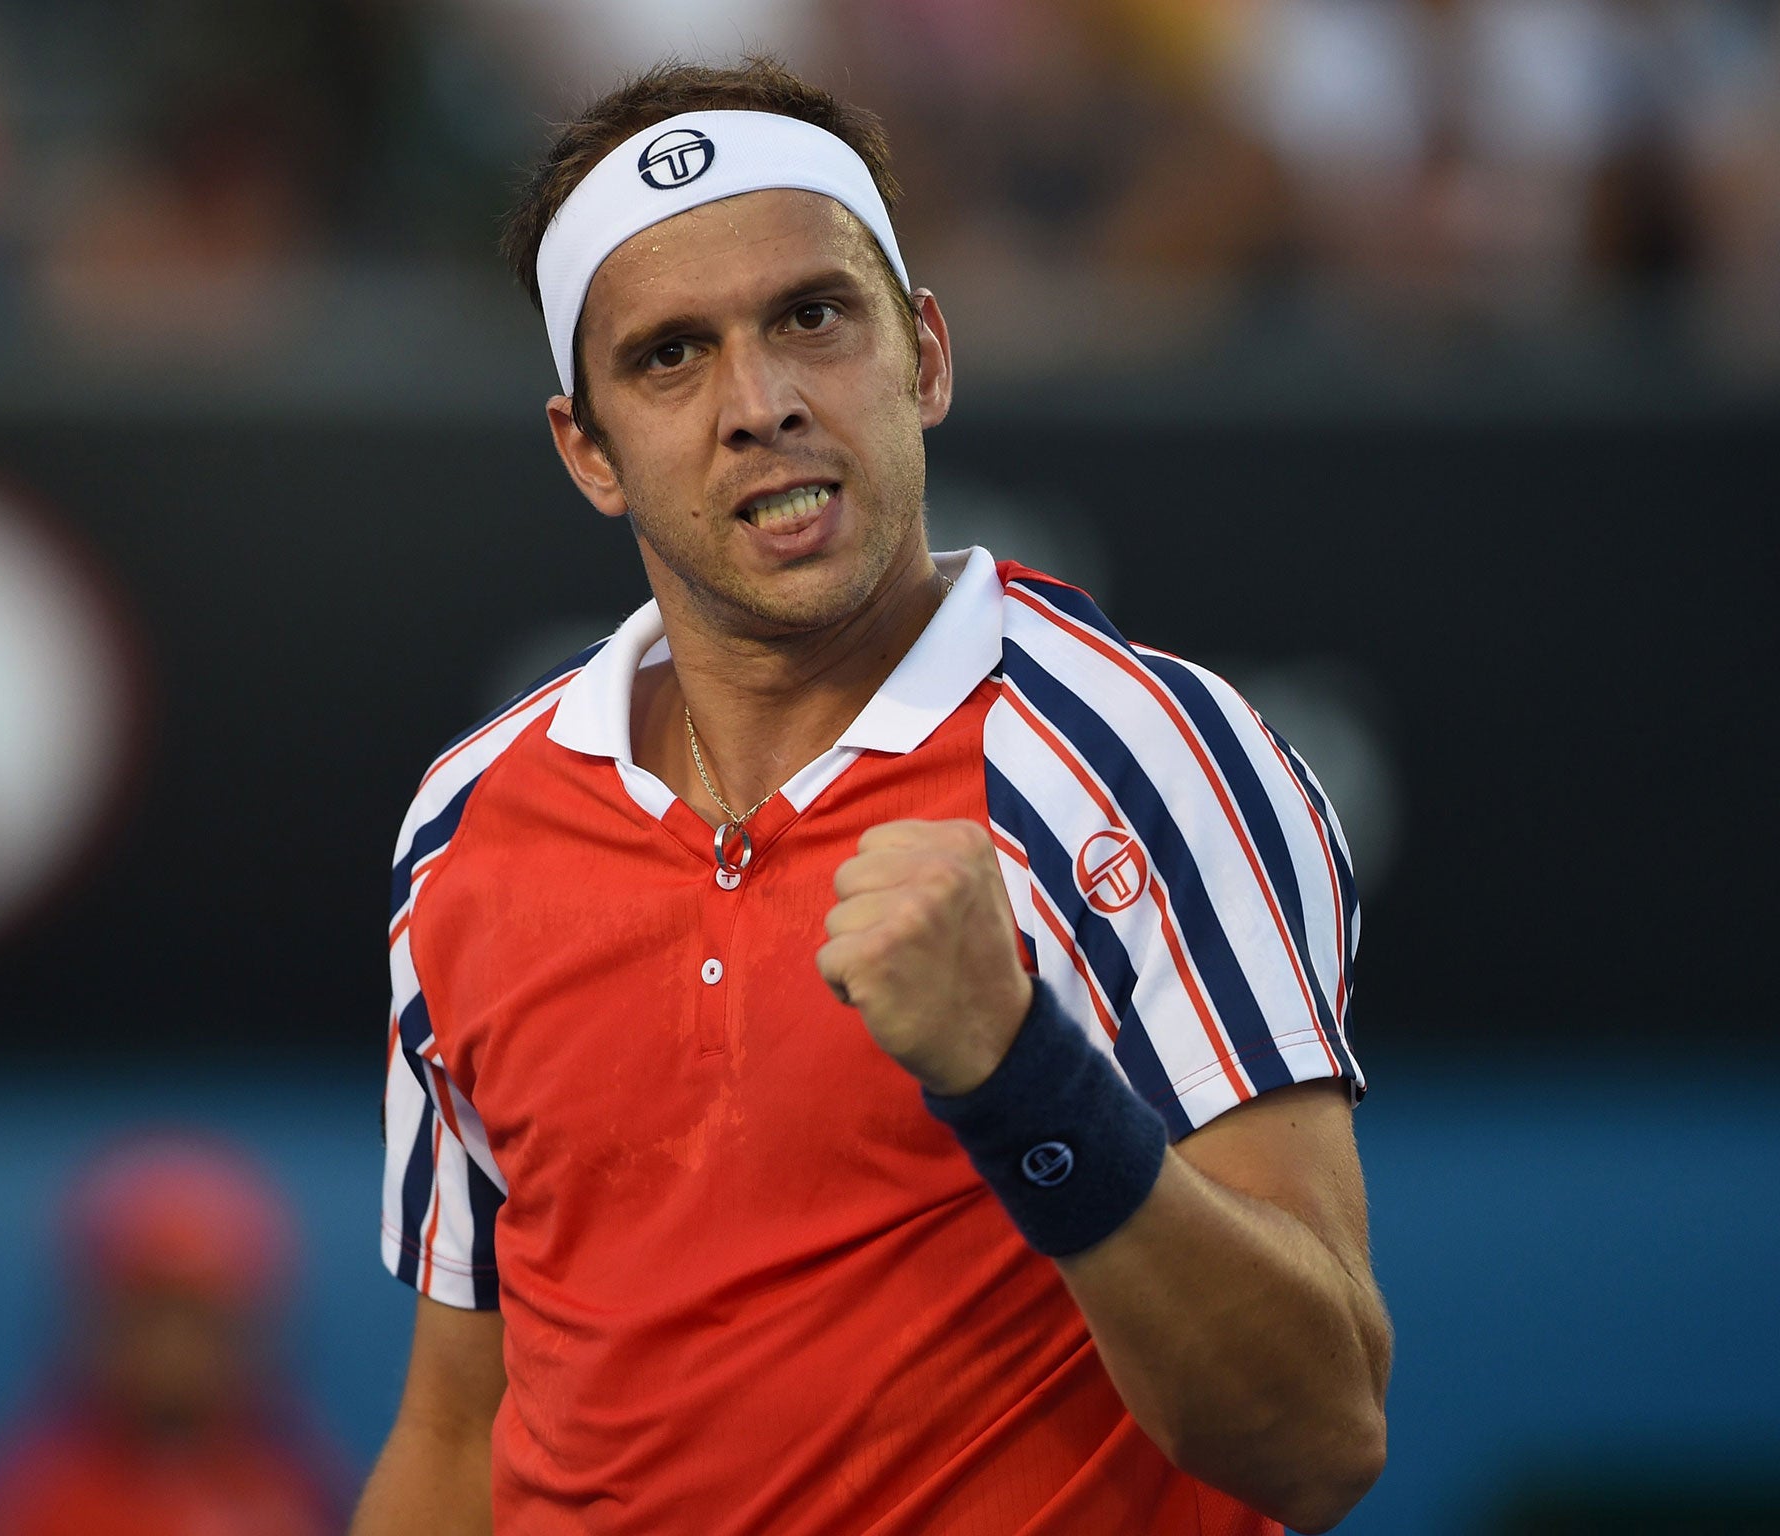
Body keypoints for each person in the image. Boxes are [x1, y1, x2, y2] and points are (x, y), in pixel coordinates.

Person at [356, 57, 1391, 1536]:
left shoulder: (1146, 756)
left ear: (925, 356)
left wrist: (1017, 1071)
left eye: (811, 317)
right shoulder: (465, 828)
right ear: (587, 450)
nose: (760, 404)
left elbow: (1317, 1434)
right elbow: (461, 1433)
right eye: (669, 357)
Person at [0, 1136, 348, 1536]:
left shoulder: (304, 1495)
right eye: (151, 1317)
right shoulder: (23, 1506)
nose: (174, 1353)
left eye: (202, 1321)